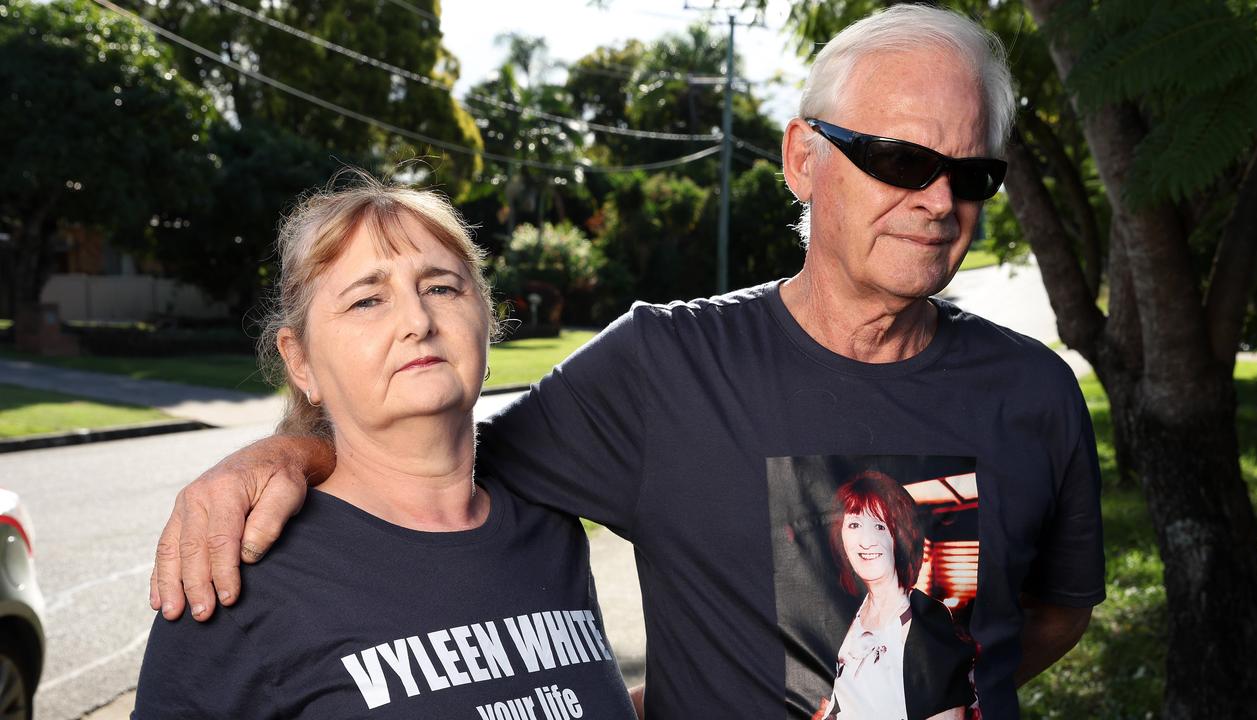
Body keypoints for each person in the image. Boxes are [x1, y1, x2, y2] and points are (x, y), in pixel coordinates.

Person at [149, 6, 1104, 718]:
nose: (939, 200)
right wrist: (279, 455)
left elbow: (1049, 619)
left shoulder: (1036, 393)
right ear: (804, 158)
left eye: (971, 174)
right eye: (900, 160)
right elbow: (425, 447)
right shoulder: (661, 366)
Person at [132, 175, 638, 718]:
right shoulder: (243, 577)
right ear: (300, 361)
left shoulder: (546, 526)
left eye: (441, 287)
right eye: (368, 300)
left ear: (487, 321)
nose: (417, 322)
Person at [814, 472, 973, 720]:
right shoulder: (842, 617)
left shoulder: (929, 619)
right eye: (854, 524)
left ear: (901, 537)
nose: (866, 541)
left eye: (879, 526)